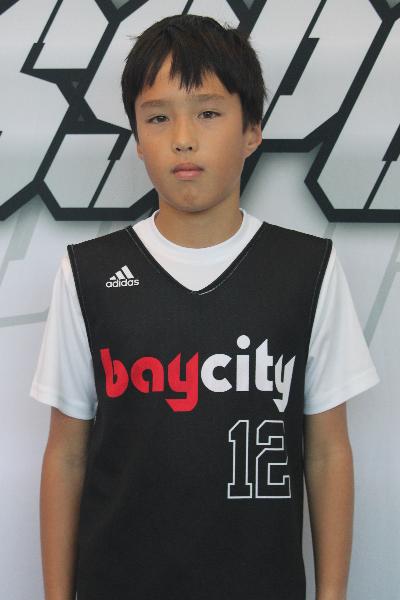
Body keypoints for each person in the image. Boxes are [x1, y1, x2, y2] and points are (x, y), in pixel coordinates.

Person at [32, 14, 379, 600]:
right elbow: (66, 456)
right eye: (158, 117)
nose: (183, 138)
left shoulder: (306, 269)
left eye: (209, 113)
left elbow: (326, 452)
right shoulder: (88, 273)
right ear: (136, 137)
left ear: (252, 130)